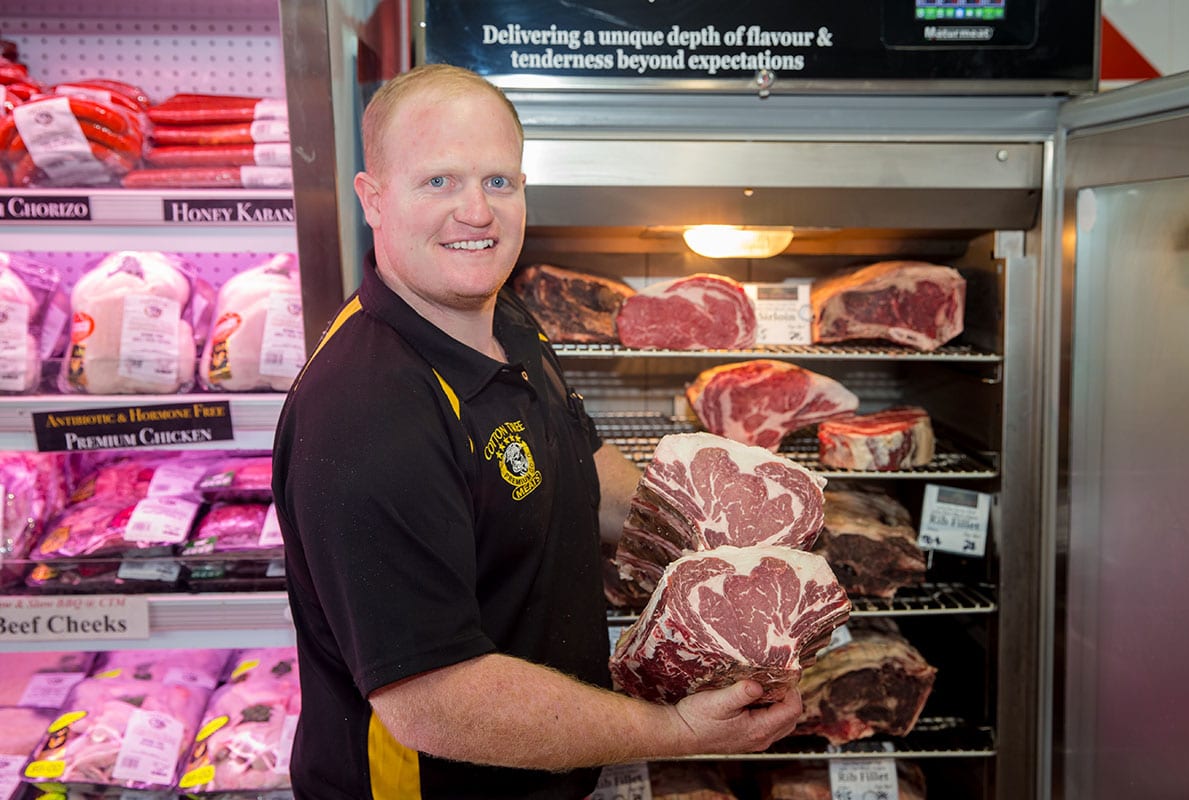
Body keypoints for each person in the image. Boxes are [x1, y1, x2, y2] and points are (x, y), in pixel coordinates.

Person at [271, 63, 805, 799]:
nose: (477, 213)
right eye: (439, 182)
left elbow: (578, 470)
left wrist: (729, 536)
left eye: (499, 182)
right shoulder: (368, 415)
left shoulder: (501, 317)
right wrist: (675, 734)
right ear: (373, 199)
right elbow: (437, 702)